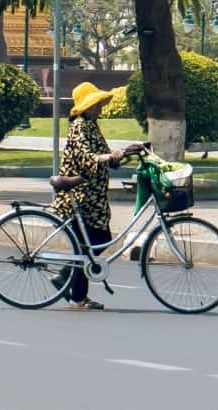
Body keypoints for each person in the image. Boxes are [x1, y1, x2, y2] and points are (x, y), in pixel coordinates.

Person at [48, 81, 143, 311]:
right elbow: (87, 157)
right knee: (91, 244)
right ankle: (69, 284)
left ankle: (74, 292)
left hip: (94, 197)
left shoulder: (92, 125)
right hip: (80, 196)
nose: (100, 108)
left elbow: (104, 154)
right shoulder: (79, 126)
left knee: (92, 243)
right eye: (96, 104)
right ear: (86, 106)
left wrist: (124, 153)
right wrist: (108, 157)